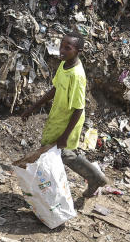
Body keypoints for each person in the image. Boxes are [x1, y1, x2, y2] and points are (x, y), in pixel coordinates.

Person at [19, 32, 107, 198]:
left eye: (68, 48)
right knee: (61, 154)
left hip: (69, 121)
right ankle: (93, 177)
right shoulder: (64, 65)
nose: (62, 50)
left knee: (61, 154)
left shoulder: (77, 75)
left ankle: (92, 178)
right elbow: (55, 89)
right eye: (61, 46)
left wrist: (65, 136)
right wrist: (33, 107)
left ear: (78, 51)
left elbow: (79, 108)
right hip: (58, 117)